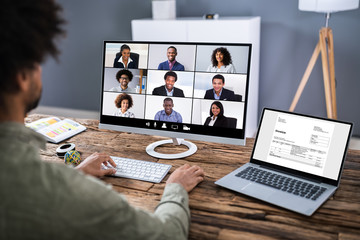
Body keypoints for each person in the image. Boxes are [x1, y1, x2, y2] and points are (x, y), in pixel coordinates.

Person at [0, 1, 204, 239]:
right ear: (21, 77)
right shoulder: (62, 194)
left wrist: (76, 175)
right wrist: (175, 187)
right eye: (36, 63)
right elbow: (167, 235)